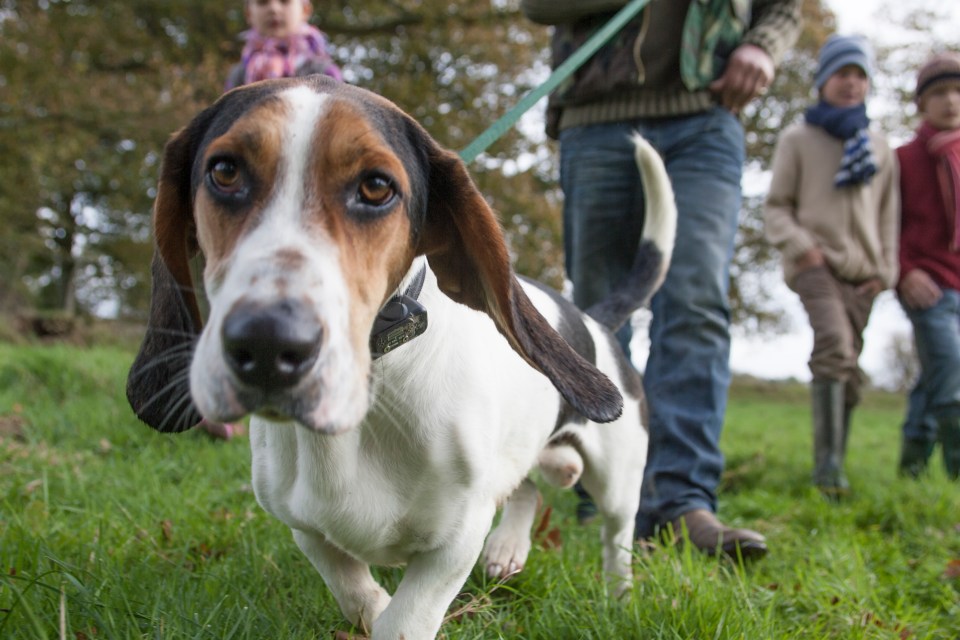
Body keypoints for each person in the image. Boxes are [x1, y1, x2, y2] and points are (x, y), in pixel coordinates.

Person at [520, 0, 802, 558]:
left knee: (696, 305)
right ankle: (597, 497)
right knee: (596, 318)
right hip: (596, 115)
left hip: (707, 111)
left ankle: (683, 503)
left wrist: (762, 44)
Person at [764, 35, 899, 497]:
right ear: (824, 80)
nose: (852, 83)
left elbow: (888, 215)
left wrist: (886, 270)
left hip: (864, 274)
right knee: (834, 347)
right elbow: (777, 205)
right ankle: (827, 471)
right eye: (843, 73)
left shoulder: (879, 146)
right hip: (815, 264)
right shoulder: (798, 138)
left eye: (860, 75)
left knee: (850, 369)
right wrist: (804, 247)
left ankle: (836, 457)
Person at [895, 51, 960, 480]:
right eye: (939, 92)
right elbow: (886, 226)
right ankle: (957, 469)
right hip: (927, 284)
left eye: (957, 91)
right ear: (922, 102)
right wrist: (904, 272)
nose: (951, 100)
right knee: (952, 370)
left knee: (934, 374)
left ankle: (912, 464)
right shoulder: (903, 160)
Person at [225, 0, 342, 92]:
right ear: (248, 14)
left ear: (305, 10)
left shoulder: (324, 71)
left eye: (284, 1)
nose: (273, 9)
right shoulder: (239, 73)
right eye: (262, 2)